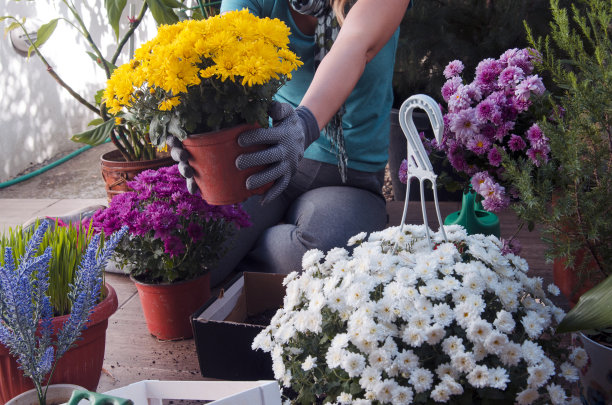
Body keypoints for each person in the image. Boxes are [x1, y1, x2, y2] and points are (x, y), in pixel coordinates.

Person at [170, 0, 412, 286]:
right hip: (266, 160)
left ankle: (252, 247)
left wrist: (303, 125)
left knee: (327, 261)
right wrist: (194, 131)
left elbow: (356, 44)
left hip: (346, 179)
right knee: (191, 254)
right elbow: (226, 53)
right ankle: (260, 248)